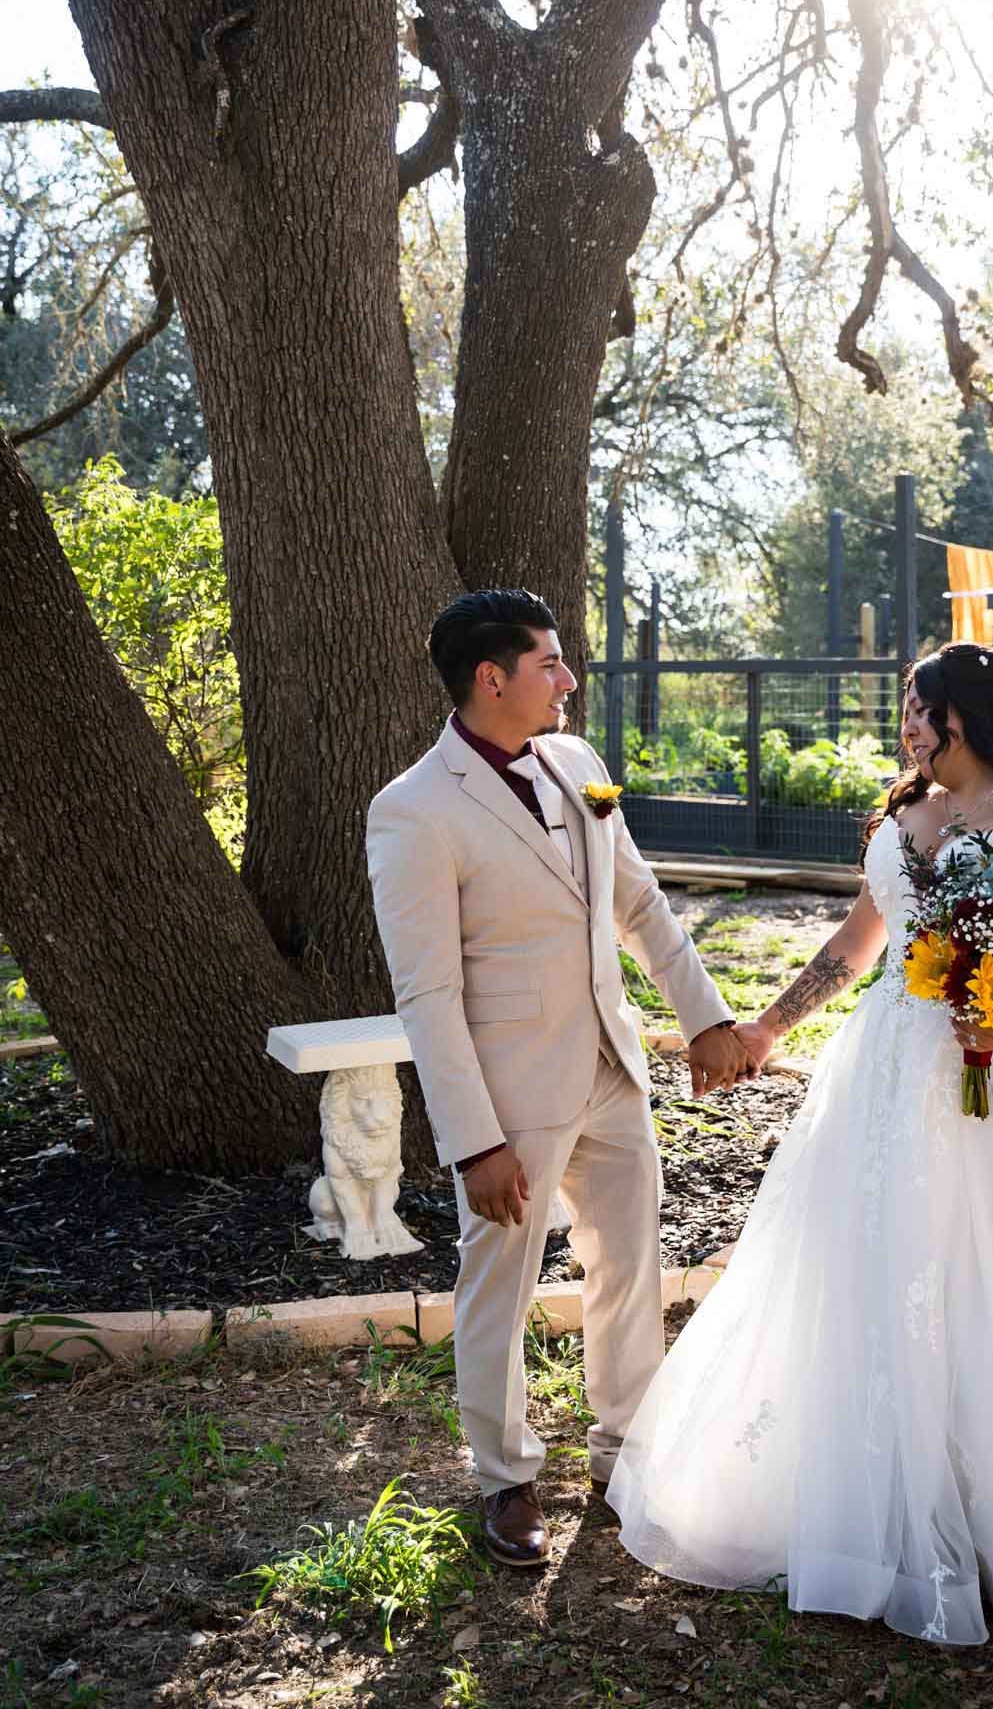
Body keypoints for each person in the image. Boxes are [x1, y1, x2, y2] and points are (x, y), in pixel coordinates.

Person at [607, 642, 993, 1644]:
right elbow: (857, 940)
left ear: (971, 716)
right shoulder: (901, 807)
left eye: (923, 708)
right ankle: (882, 1492)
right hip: (889, 1067)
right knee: (878, 1262)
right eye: (906, 708)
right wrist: (772, 1025)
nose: (908, 725)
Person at [366, 589, 752, 1569]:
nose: (568, 679)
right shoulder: (412, 809)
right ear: (490, 677)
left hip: (612, 1072)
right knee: (496, 1284)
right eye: (550, 663)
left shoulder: (583, 765)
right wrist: (474, 1138)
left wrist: (702, 1014)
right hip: (509, 1098)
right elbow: (427, 993)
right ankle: (505, 1477)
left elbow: (637, 896)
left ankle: (626, 1442)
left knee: (630, 1260)